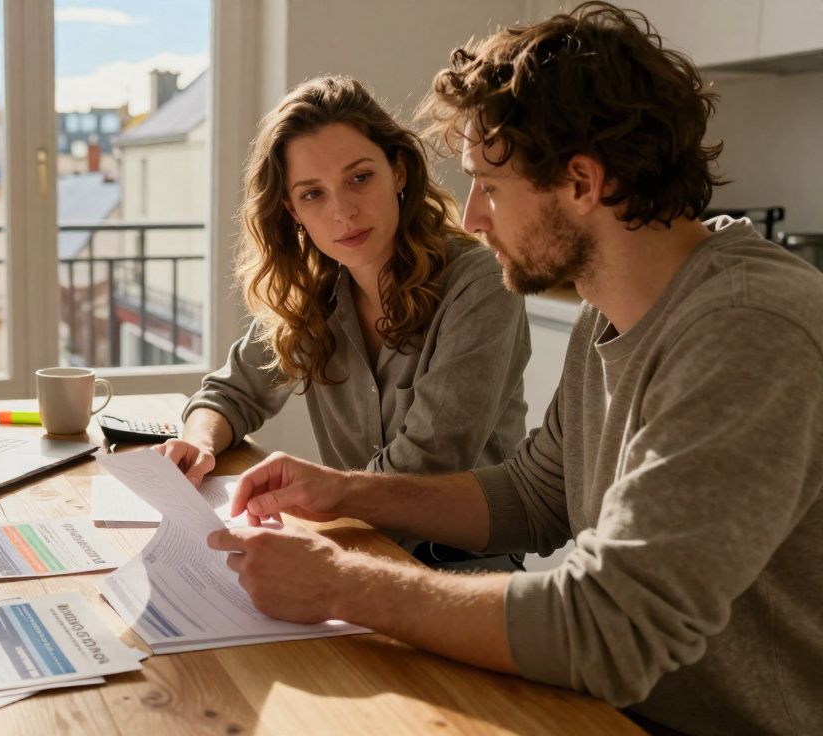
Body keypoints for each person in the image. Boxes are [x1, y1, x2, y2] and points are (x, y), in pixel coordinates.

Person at [205, 3, 823, 734]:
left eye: (489, 187)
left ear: (583, 183)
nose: (470, 218)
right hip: (600, 706)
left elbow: (610, 626)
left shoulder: (746, 328)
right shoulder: (610, 309)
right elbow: (534, 495)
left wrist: (341, 582)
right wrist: (345, 489)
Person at [158, 75, 530, 568]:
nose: (344, 212)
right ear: (291, 208)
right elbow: (231, 393)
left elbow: (425, 467)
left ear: (398, 172)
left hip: (460, 567)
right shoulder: (313, 292)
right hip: (354, 545)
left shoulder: (478, 284)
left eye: (359, 178)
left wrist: (305, 522)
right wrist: (199, 441)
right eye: (313, 194)